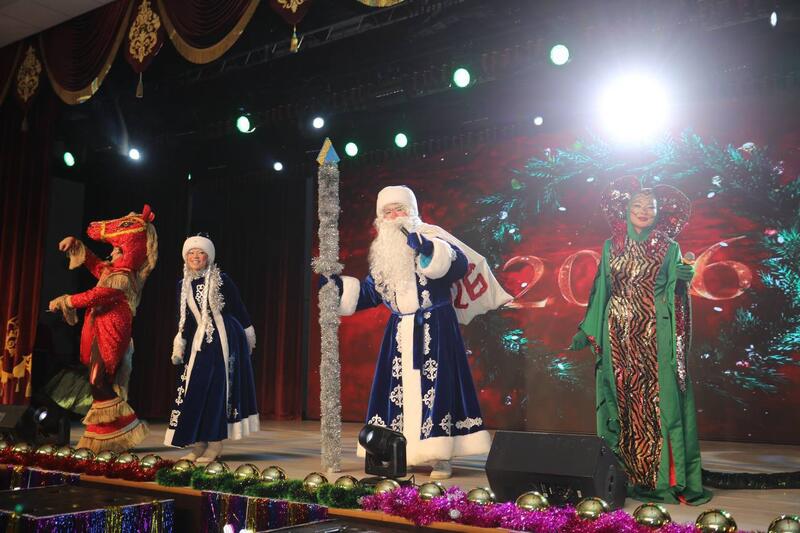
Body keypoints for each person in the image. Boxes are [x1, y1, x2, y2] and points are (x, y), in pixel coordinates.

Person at [323, 185, 505, 479]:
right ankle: (402, 451)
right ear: (380, 218)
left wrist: (428, 250)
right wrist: (336, 289)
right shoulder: (384, 254)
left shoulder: (432, 238)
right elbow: (370, 293)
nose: (394, 216)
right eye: (388, 211)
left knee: (439, 388)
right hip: (399, 332)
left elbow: (457, 266)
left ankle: (440, 456)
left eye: (400, 209)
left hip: (436, 327)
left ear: (412, 211)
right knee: (398, 392)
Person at [569, 176, 711, 504]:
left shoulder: (669, 247)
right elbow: (601, 289)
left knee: (659, 403)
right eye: (638, 205)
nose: (644, 211)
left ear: (659, 212)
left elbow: (674, 292)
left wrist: (682, 279)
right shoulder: (611, 246)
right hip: (616, 335)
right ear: (626, 209)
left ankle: (662, 479)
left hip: (656, 336)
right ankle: (624, 475)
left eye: (651, 206)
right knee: (624, 401)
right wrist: (586, 330)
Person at [48, 205, 156, 452]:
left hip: (113, 330)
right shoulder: (112, 272)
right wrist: (76, 244)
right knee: (99, 381)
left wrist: (66, 300)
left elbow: (96, 295)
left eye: (117, 250)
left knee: (98, 380)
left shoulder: (124, 277)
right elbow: (94, 263)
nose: (112, 253)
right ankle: (105, 437)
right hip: (99, 328)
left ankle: (129, 425)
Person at [164, 235, 260, 463]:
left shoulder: (221, 279)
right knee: (194, 390)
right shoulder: (183, 284)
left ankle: (215, 444)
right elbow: (184, 319)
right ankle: (198, 444)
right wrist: (180, 342)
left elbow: (239, 308)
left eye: (201, 253)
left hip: (224, 340)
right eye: (191, 253)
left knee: (217, 391)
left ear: (208, 257)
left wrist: (248, 334)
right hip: (199, 344)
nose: (195, 257)